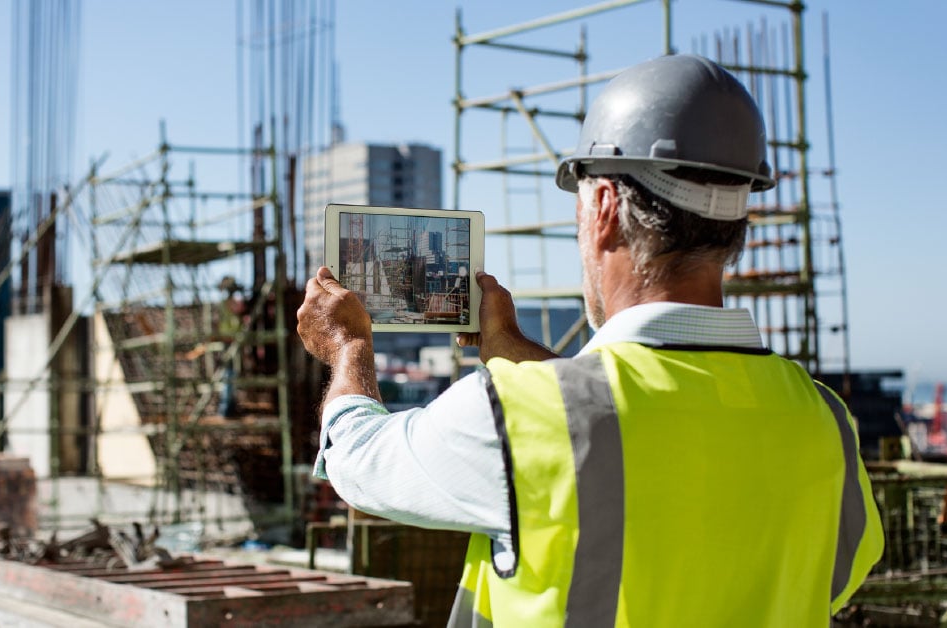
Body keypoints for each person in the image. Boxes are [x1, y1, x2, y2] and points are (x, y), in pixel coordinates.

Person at [297, 54, 882, 627]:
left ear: (602, 208)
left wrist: (348, 346)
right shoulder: (823, 421)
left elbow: (361, 462)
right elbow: (836, 574)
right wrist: (511, 346)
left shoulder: (521, 417)